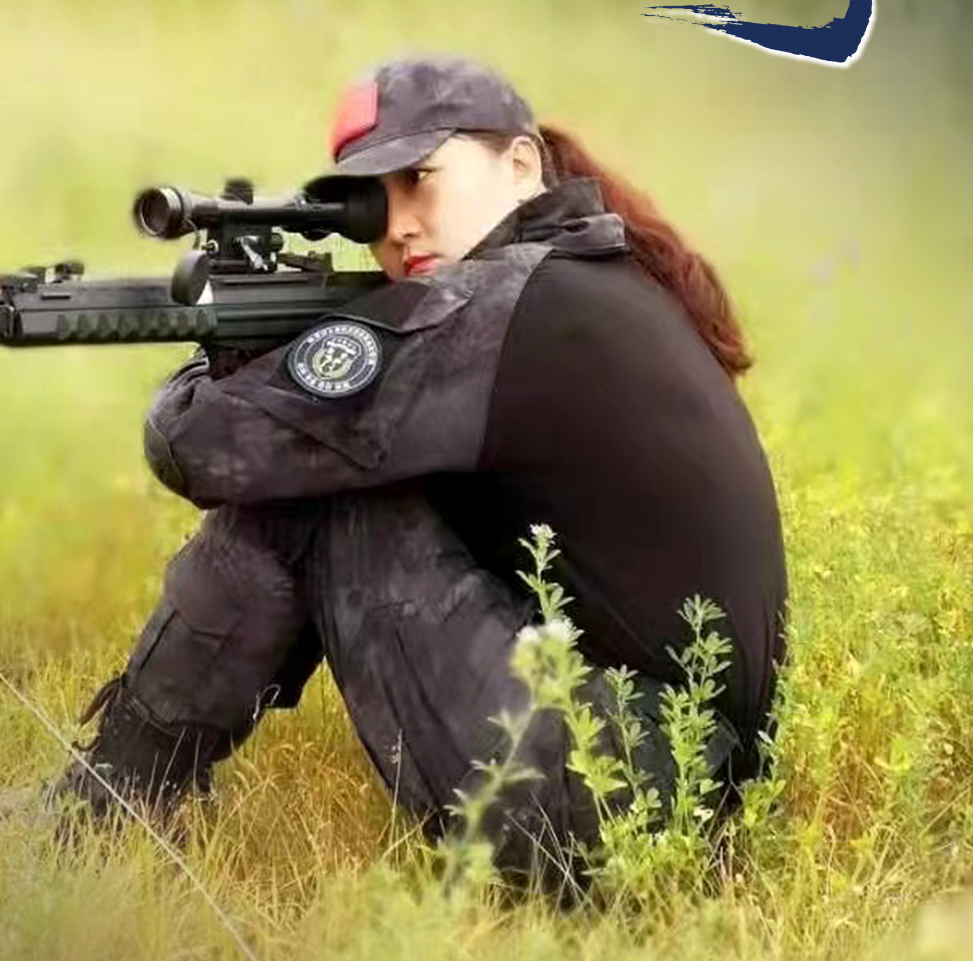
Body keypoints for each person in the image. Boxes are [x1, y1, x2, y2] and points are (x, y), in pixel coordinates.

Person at [52, 57, 788, 895]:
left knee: (320, 481)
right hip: (684, 796)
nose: (398, 227)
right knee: (334, 449)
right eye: (374, 204)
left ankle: (106, 805)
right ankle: (114, 799)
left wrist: (220, 358)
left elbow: (201, 442)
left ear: (520, 164)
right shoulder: (588, 281)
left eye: (421, 180)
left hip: (607, 797)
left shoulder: (501, 307)